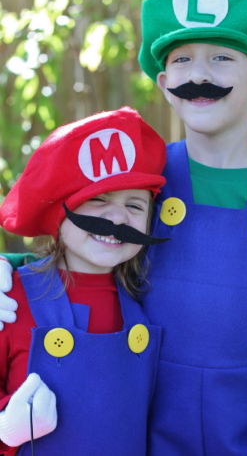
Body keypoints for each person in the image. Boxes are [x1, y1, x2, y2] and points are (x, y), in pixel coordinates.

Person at [1, 0, 247, 456]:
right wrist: (9, 274)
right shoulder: (140, 177)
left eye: (221, 57)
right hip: (130, 434)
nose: (198, 75)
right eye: (181, 60)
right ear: (164, 82)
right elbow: (82, 248)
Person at [0, 106, 167, 455]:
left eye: (135, 206)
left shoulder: (149, 299)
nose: (118, 217)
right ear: (56, 213)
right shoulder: (10, 299)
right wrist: (5, 424)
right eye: (97, 200)